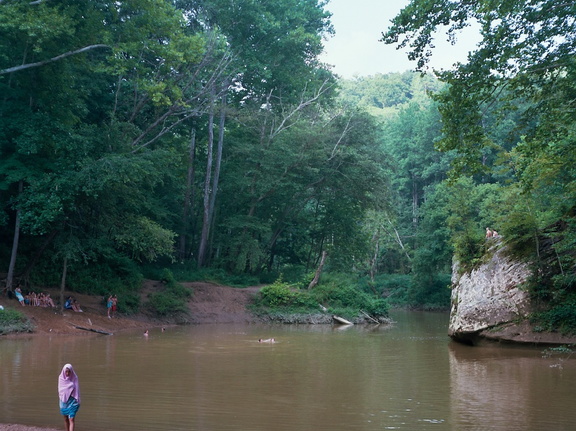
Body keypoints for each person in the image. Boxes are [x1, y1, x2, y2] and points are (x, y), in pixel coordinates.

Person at [58, 364, 80, 431]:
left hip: (73, 401)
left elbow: (77, 390)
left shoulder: (75, 378)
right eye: (66, 372)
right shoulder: (61, 378)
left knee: (72, 419)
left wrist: (77, 399)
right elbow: (60, 390)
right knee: (65, 418)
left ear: (71, 371)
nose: (67, 373)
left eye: (69, 371)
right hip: (64, 401)